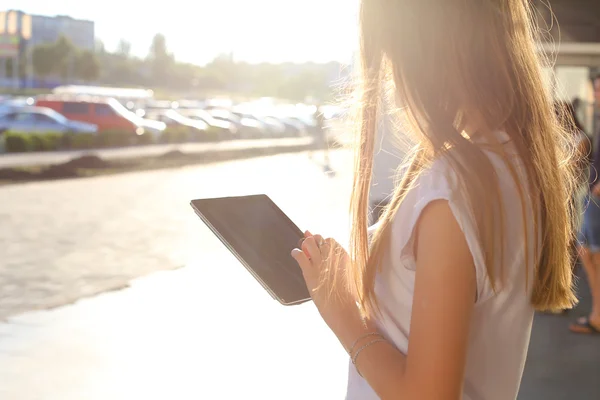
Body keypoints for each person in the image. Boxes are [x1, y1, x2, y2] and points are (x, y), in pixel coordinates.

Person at [290, 1, 578, 399]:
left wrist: (341, 313)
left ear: (422, 53)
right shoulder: (515, 165)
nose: (390, 78)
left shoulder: (453, 188)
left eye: (390, 55)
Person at [570, 75, 600, 335]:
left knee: (593, 255)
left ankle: (598, 316)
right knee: (586, 253)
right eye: (597, 90)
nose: (597, 94)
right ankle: (597, 314)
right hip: (591, 197)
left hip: (596, 198)